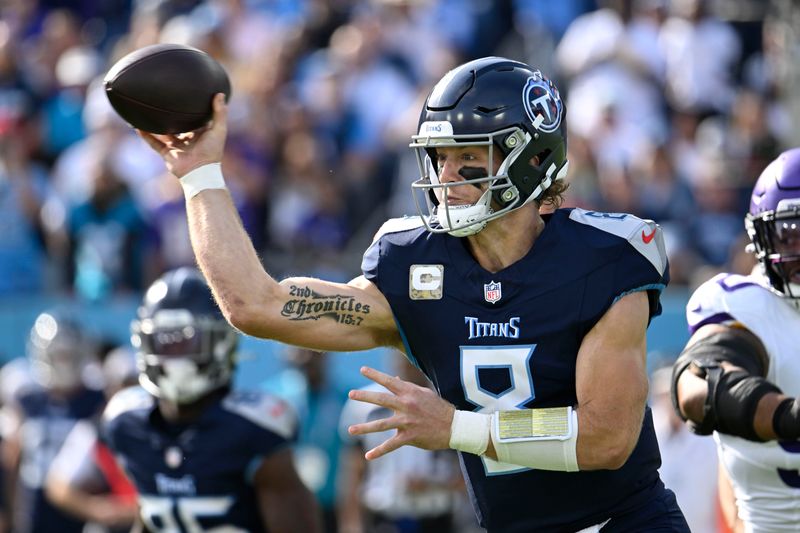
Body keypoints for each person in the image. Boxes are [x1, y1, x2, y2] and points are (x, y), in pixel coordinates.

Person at [136, 56, 686, 532]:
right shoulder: (415, 264)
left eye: (467, 155)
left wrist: (456, 428)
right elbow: (256, 305)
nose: (445, 175)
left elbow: (607, 436)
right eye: (438, 156)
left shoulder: (602, 257)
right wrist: (200, 175)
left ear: (532, 159)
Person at [101, 267, 322, 533]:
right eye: (165, 342)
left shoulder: (253, 428)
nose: (175, 360)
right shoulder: (126, 422)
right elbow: (150, 513)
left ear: (221, 343)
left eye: (187, 342)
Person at [671, 148, 800, 532]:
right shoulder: (746, 305)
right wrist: (789, 416)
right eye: (792, 234)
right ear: (762, 237)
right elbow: (698, 388)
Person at [1, 311, 106, 533]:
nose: (64, 364)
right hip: (35, 507)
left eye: (68, 356)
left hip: (80, 503)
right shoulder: (27, 399)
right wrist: (10, 510)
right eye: (58, 356)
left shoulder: (97, 400)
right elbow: (13, 459)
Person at [337, 351, 464, 533]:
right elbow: (353, 472)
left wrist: (434, 484)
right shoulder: (365, 406)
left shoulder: (448, 403)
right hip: (383, 518)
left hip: (437, 518)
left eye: (412, 352)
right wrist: (351, 524)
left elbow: (469, 475)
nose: (406, 360)